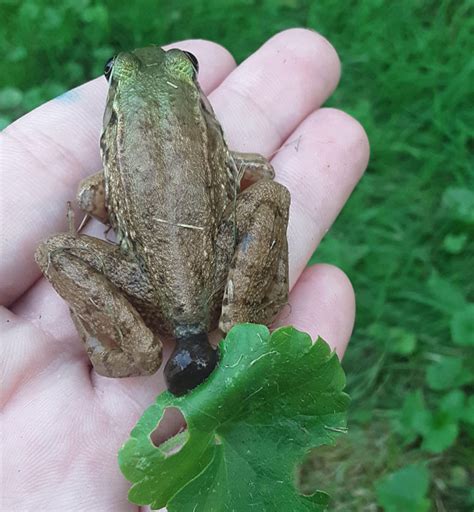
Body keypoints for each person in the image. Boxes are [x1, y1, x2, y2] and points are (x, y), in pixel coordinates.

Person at [1, 29, 369, 510]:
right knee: (271, 195)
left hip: (147, 290)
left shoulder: (109, 152)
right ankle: (245, 319)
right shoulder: (209, 134)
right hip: (218, 276)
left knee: (56, 251)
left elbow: (93, 198)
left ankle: (122, 350)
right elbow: (259, 171)